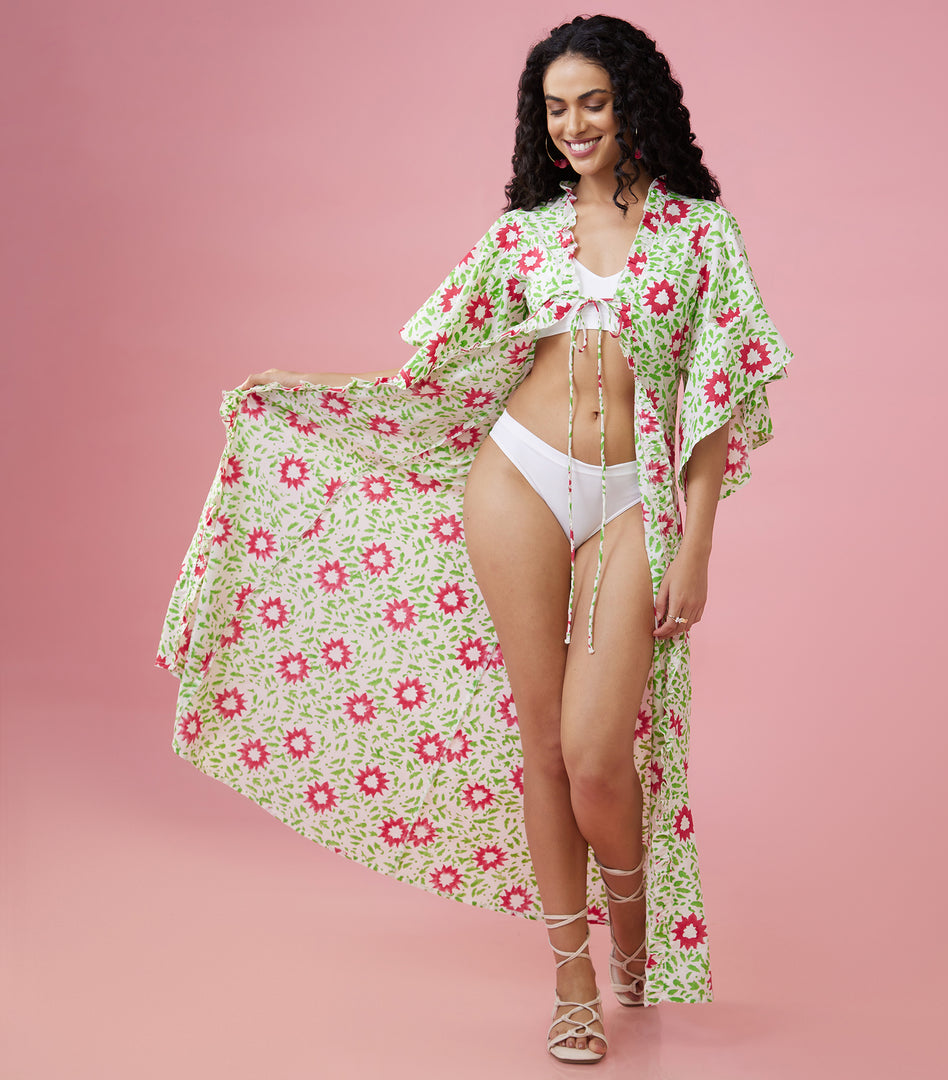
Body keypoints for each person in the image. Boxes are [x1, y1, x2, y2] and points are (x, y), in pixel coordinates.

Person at [159, 13, 793, 1065]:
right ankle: (573, 980)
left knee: (598, 757)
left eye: (593, 102)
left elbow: (716, 399)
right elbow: (434, 373)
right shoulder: (523, 236)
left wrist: (698, 549)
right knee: (541, 744)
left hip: (633, 496)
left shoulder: (701, 235)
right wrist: (308, 389)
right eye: (556, 109)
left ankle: (634, 927)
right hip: (519, 477)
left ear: (633, 104)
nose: (574, 125)